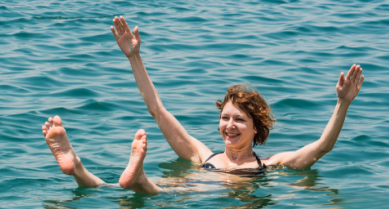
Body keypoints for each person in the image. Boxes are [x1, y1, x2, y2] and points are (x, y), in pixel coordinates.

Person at [42, 16, 365, 195]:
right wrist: (134, 57)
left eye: (239, 119)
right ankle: (77, 166)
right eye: (225, 117)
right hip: (193, 190)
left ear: (257, 128)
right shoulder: (201, 155)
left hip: (198, 195)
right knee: (127, 191)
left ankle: (131, 178)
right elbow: (157, 109)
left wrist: (342, 103)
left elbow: (322, 147)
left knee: (130, 193)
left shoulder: (274, 164)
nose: (229, 125)